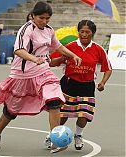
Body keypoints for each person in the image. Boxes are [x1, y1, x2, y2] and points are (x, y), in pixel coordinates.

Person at [0, 1, 82, 154]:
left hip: (43, 72)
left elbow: (58, 46)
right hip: (22, 74)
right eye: (41, 18)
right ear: (33, 16)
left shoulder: (49, 30)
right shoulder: (26, 29)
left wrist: (73, 55)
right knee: (12, 110)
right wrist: (33, 58)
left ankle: (55, 139)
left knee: (55, 100)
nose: (44, 21)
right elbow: (19, 50)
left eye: (47, 18)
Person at [46, 20, 112, 150]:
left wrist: (103, 82)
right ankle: (53, 135)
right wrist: (62, 59)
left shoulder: (98, 49)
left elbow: (108, 68)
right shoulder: (69, 47)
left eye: (87, 32)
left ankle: (78, 135)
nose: (84, 34)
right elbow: (51, 62)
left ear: (92, 33)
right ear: (78, 32)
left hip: (87, 86)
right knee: (62, 115)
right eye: (82, 31)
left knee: (84, 115)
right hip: (68, 84)